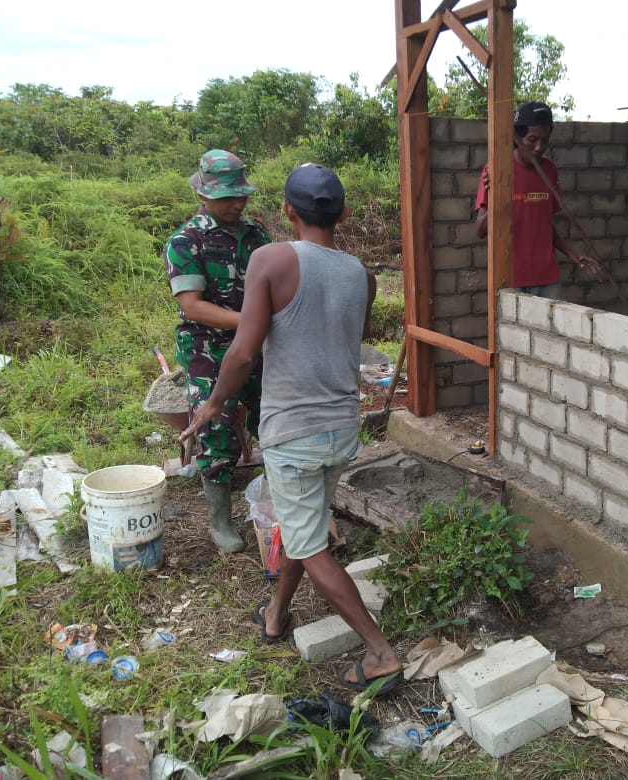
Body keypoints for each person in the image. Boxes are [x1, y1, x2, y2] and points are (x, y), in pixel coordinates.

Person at [179, 163, 403, 695]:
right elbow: (350, 334)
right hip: (342, 429)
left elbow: (242, 350)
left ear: (286, 211)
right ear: (343, 213)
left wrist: (212, 406)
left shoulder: (271, 259)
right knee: (302, 529)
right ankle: (277, 614)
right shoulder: (361, 274)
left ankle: (381, 654)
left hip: (294, 433)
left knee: (307, 542)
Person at [164, 149, 271, 553]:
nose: (237, 204)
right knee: (216, 424)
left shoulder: (257, 234)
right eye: (227, 197)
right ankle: (220, 520)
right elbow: (192, 305)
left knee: (271, 414)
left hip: (259, 343)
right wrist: (252, 320)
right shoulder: (185, 241)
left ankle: (277, 499)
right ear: (204, 196)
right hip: (208, 347)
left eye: (240, 195)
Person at [474, 100, 601, 297]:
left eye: (545, 140)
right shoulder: (496, 171)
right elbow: (480, 230)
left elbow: (543, 223)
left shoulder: (549, 170)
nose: (539, 147)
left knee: (551, 329)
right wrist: (498, 201)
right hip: (510, 279)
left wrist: (571, 254)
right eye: (532, 139)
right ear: (517, 138)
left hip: (546, 277)